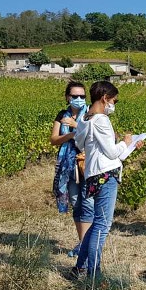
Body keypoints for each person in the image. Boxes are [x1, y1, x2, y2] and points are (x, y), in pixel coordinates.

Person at [73, 81, 141, 278]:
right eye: (114, 100)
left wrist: (129, 148)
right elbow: (112, 153)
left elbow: (93, 149)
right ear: (104, 98)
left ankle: (79, 268)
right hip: (107, 176)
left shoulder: (85, 119)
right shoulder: (101, 120)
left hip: (94, 174)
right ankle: (94, 274)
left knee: (96, 224)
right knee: (102, 226)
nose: (114, 104)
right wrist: (125, 142)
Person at [50, 81, 94, 257]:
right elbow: (53, 139)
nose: (78, 99)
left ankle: (87, 245)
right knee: (76, 202)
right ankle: (83, 243)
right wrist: (69, 135)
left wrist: (76, 126)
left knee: (88, 203)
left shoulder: (91, 113)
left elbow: (98, 135)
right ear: (68, 97)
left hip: (88, 163)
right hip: (69, 166)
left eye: (82, 96)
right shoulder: (62, 115)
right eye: (75, 96)